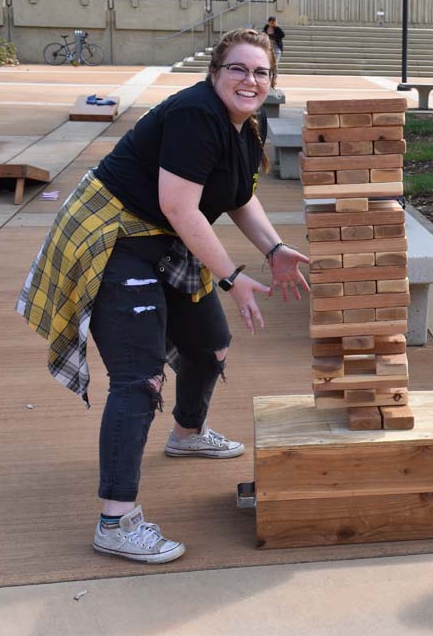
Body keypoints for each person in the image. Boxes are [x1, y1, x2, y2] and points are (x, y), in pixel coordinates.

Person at [18, 28, 310, 564]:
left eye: (261, 72)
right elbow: (180, 206)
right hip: (115, 240)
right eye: (238, 69)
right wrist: (230, 276)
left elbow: (239, 197)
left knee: (210, 346)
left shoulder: (245, 127)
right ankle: (115, 520)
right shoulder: (196, 116)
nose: (250, 80)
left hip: (165, 244)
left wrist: (275, 249)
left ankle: (187, 433)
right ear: (215, 73)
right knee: (139, 378)